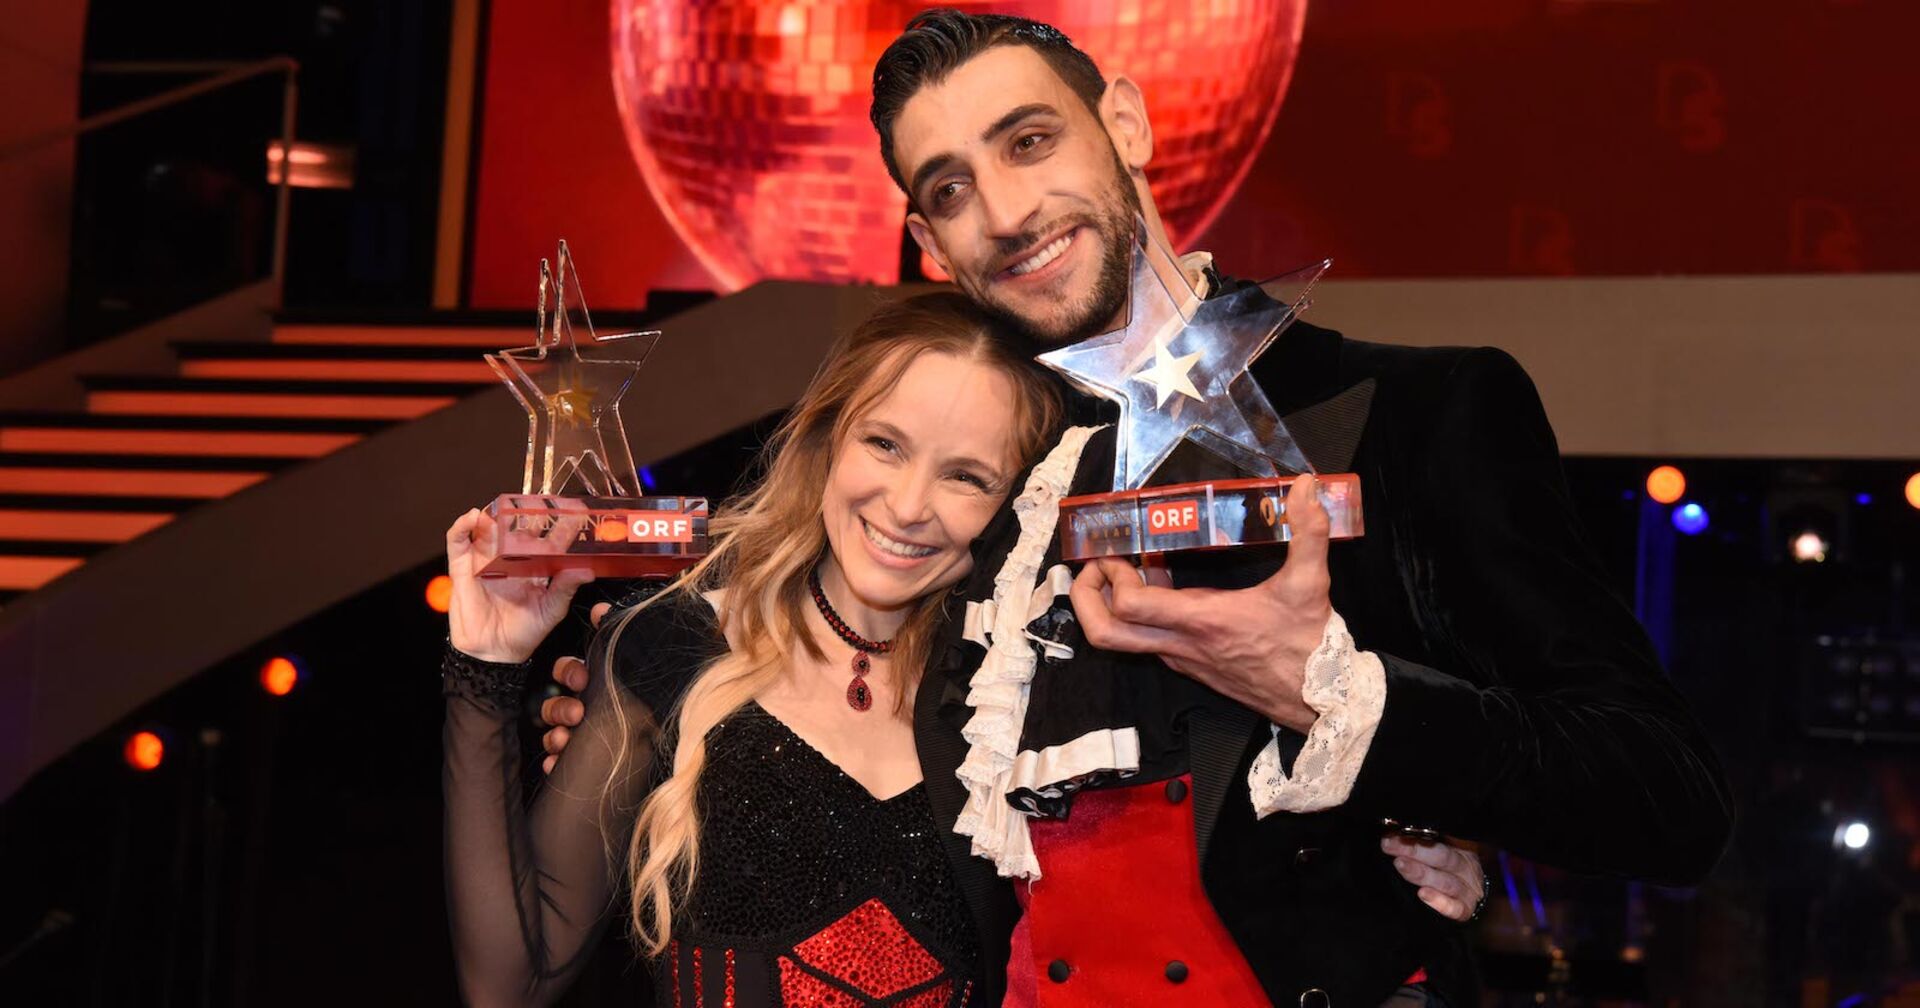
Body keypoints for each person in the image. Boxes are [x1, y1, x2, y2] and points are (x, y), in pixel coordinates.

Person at [535, 10, 1710, 1007]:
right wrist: (652, 697)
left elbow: (1663, 798)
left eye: (1031, 139)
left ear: (1130, 128)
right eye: (951, 188)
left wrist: (1357, 711)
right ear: (929, 243)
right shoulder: (965, 483)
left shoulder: (1420, 409)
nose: (1004, 208)